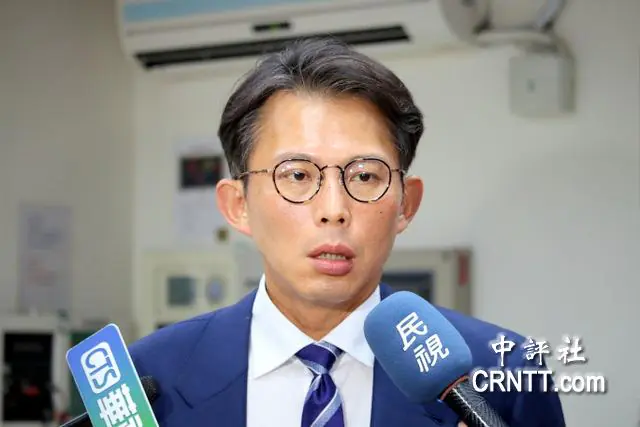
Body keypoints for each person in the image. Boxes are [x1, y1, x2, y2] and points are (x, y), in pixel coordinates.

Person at [128, 37, 565, 426]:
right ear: (237, 205)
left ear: (406, 204)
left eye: (365, 176)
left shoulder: (503, 374)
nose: (334, 210)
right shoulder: (148, 378)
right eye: (297, 175)